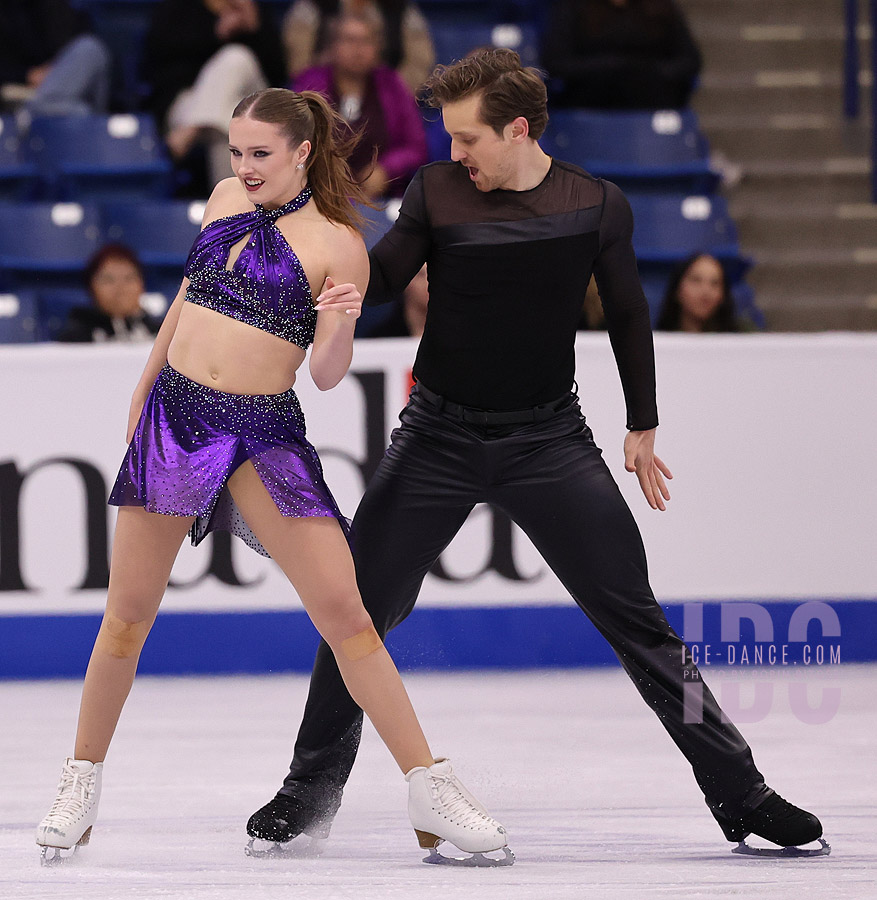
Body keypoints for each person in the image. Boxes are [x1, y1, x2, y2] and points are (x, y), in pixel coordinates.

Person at [247, 50, 828, 860]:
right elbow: (384, 276)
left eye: (467, 138)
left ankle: (741, 793)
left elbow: (626, 312)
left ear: (517, 129)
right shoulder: (438, 192)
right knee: (354, 611)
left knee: (640, 625)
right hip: (436, 438)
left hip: (547, 439)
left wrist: (642, 424)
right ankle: (308, 790)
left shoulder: (594, 204)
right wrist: (335, 280)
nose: (454, 154)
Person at [34, 87, 510, 868]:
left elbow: (325, 375)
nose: (244, 168)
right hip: (176, 417)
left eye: (261, 154)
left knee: (347, 615)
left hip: (263, 434)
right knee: (125, 618)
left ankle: (431, 789)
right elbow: (188, 300)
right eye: (236, 152)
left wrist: (344, 318)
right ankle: (80, 784)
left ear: (300, 152)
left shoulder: (338, 243)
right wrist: (142, 388)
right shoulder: (222, 198)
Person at [141, 0, 287, 190]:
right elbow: (158, 58)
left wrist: (256, 29)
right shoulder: (177, 8)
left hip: (252, 102)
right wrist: (216, 34)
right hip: (188, 102)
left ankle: (194, 128)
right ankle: (232, 214)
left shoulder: (253, 8)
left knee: (236, 56)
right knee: (230, 126)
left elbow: (279, 76)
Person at [291, 11, 428, 200]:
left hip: (382, 199)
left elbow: (416, 147)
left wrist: (386, 170)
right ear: (332, 46)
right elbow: (291, 143)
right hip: (319, 195)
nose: (358, 49)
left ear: (378, 47)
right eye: (349, 40)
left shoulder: (392, 84)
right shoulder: (310, 84)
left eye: (366, 41)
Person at [542, 0, 701, 110]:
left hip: (651, 97)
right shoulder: (573, 7)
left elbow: (690, 60)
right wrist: (608, 68)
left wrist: (649, 72)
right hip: (591, 98)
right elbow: (556, 62)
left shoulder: (662, 7)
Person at [283, 0, 434, 93]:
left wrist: (392, 92)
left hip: (385, 96)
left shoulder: (400, 7)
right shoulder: (313, 5)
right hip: (322, 92)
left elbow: (419, 62)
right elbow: (298, 63)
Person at [0, 0, 111, 120]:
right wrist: (27, 75)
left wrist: (54, 67)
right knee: (79, 111)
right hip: (20, 81)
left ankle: (37, 112)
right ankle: (41, 110)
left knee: (90, 48)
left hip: (59, 77)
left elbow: (73, 40)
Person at [56, 244, 161, 343]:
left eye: (129, 278)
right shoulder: (74, 340)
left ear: (142, 285)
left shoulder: (163, 334)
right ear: (91, 287)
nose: (120, 287)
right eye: (108, 280)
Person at [656, 252, 740, 333]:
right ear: (677, 289)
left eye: (715, 283)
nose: (706, 291)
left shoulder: (744, 339)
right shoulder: (655, 341)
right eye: (696, 280)